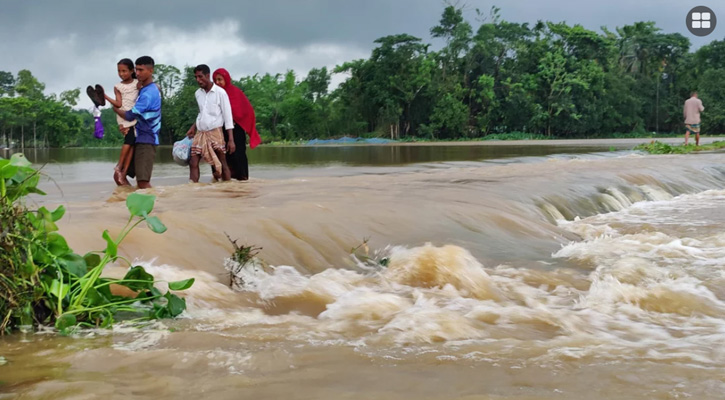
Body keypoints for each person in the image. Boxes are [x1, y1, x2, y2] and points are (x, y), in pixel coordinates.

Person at [112, 56, 161, 189]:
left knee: (143, 182)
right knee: (122, 176)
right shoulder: (143, 89)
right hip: (137, 137)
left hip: (146, 139)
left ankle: (157, 207)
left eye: (141, 70)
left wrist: (115, 108)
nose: (137, 73)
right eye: (136, 70)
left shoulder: (148, 93)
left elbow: (130, 115)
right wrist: (124, 126)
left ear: (151, 71)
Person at [186, 64, 235, 183]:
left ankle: (228, 188)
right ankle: (193, 189)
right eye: (196, 77)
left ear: (208, 76)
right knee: (193, 162)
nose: (198, 80)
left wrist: (231, 140)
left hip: (215, 132)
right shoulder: (198, 93)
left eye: (200, 76)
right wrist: (193, 127)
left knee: (222, 162)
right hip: (200, 133)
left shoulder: (220, 93)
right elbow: (202, 112)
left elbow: (228, 117)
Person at [212, 68, 262, 180]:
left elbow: (245, 111)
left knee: (238, 156)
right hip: (219, 131)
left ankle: (242, 180)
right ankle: (222, 181)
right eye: (215, 80)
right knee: (219, 157)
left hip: (236, 130)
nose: (217, 82)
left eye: (220, 79)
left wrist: (232, 119)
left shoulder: (235, 93)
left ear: (226, 79)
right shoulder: (213, 94)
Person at [103, 58, 139, 186]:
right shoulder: (118, 87)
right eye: (119, 71)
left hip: (134, 116)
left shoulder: (137, 83)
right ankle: (119, 166)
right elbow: (118, 103)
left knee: (133, 144)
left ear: (131, 71)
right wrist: (105, 96)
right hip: (123, 115)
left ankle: (123, 171)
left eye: (124, 71)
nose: (121, 74)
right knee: (129, 140)